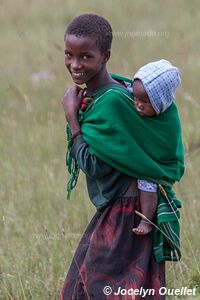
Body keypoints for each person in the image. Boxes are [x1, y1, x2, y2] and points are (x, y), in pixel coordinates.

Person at [59, 13, 184, 300]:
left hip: (127, 212)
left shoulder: (112, 100)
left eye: (85, 57)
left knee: (103, 290)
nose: (75, 65)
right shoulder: (106, 93)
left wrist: (72, 119)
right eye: (69, 55)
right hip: (120, 207)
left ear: (105, 56)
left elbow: (95, 165)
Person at [128, 59, 181, 235]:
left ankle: (147, 220)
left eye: (145, 101)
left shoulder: (169, 120)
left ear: (161, 102)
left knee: (147, 184)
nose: (138, 104)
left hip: (155, 163)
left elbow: (166, 147)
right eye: (135, 97)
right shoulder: (133, 97)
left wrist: (146, 162)